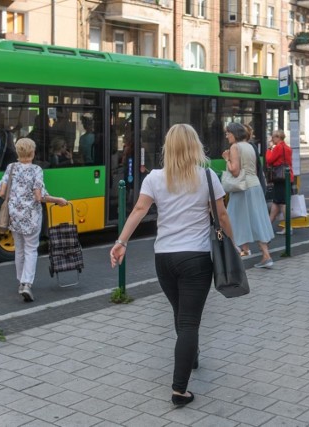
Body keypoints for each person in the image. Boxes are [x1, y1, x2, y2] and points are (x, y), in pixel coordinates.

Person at [109, 124, 234, 407]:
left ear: (168, 146)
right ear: (194, 146)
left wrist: (121, 242)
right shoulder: (207, 176)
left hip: (164, 258)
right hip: (196, 257)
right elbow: (222, 215)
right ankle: (180, 390)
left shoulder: (154, 177)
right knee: (189, 321)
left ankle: (191, 353)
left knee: (181, 314)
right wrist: (233, 244)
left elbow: (139, 210)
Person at [0, 138, 67, 302]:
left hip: (14, 216)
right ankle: (27, 283)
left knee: (19, 249)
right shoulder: (36, 170)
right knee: (31, 249)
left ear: (18, 152)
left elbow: (1, 192)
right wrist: (59, 200)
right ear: (33, 152)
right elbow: (39, 196)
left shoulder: (11, 168)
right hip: (31, 217)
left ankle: (21, 282)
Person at [221, 122, 274, 267]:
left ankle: (239, 254)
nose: (226, 136)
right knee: (255, 219)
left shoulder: (235, 147)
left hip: (243, 188)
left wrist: (227, 159)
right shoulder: (250, 146)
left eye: (228, 133)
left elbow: (235, 171)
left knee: (232, 218)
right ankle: (262, 254)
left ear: (234, 134)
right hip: (254, 185)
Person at [266, 129, 294, 234]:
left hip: (280, 178)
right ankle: (267, 226)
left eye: (273, 137)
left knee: (282, 203)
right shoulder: (287, 147)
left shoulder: (278, 147)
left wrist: (269, 149)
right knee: (277, 202)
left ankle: (288, 227)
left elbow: (269, 160)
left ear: (278, 137)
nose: (272, 139)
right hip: (287, 177)